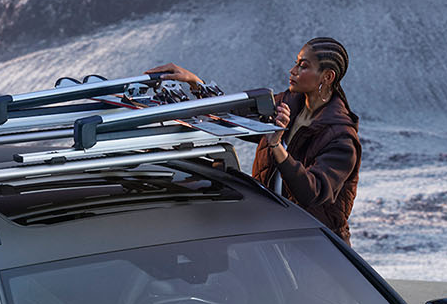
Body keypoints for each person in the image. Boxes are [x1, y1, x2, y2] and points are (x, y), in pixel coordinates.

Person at [149, 37, 361, 242]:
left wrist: (276, 145)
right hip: (273, 230)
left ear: (327, 76)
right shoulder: (287, 103)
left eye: (303, 66)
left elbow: (312, 192)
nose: (292, 71)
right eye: (296, 63)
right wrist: (195, 83)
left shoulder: (341, 138)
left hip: (316, 244)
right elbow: (234, 114)